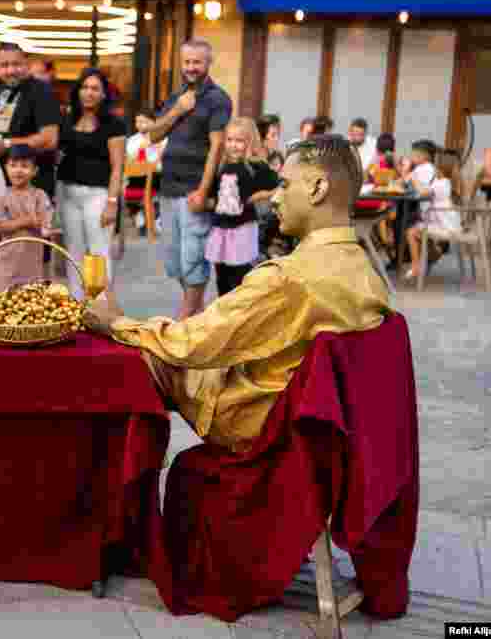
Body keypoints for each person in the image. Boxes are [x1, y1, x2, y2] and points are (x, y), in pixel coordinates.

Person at [85, 134, 391, 452]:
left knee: (142, 355)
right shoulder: (369, 276)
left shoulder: (289, 278)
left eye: (285, 185)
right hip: (324, 424)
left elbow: (192, 343)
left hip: (260, 419)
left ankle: (121, 476)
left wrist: (116, 323)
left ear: (317, 188)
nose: (274, 198)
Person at [140, 38, 232, 320]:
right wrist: (178, 109)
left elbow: (217, 148)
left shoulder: (218, 99)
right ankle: (197, 312)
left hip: (194, 189)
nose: (191, 67)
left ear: (208, 63)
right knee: (174, 262)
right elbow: (153, 135)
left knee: (193, 258)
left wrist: (204, 191)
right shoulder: (177, 96)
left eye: (197, 62)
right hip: (168, 188)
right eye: (187, 62)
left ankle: (185, 318)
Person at [56, 68, 126, 299]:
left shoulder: (114, 124)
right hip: (67, 192)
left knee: (99, 253)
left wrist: (112, 202)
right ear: (78, 91)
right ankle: (76, 305)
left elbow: (118, 167)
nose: (89, 92)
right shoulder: (66, 119)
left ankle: (101, 306)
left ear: (104, 94)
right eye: (85, 87)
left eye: (95, 88)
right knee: (73, 253)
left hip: (98, 194)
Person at [205, 118, 278, 296]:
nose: (233, 145)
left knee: (239, 278)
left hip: (242, 229)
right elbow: (216, 196)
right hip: (221, 229)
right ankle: (224, 312)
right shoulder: (223, 166)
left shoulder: (255, 166)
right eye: (230, 140)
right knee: (222, 277)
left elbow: (278, 184)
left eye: (239, 141)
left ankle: (238, 314)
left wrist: (256, 197)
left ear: (249, 142)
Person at [0, 44, 62, 200]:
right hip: (0, 183)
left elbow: (50, 140)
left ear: (26, 64)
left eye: (16, 64)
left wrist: (6, 144)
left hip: (34, 186)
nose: (10, 70)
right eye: (4, 65)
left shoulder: (41, 92)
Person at [0, 145, 54, 291]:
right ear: (6, 168)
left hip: (32, 265)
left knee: (30, 302)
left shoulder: (40, 195)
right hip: (7, 264)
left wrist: (43, 225)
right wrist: (25, 221)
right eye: (13, 165)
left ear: (34, 171)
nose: (18, 170)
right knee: (4, 303)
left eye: (25, 166)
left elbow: (46, 224)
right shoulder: (3, 197)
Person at [406, 148, 462, 280]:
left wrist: (413, 178)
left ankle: (415, 266)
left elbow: (423, 192)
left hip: (446, 227)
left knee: (411, 232)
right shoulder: (444, 182)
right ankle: (432, 255)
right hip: (444, 223)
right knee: (418, 229)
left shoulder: (442, 183)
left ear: (441, 168)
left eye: (436, 165)